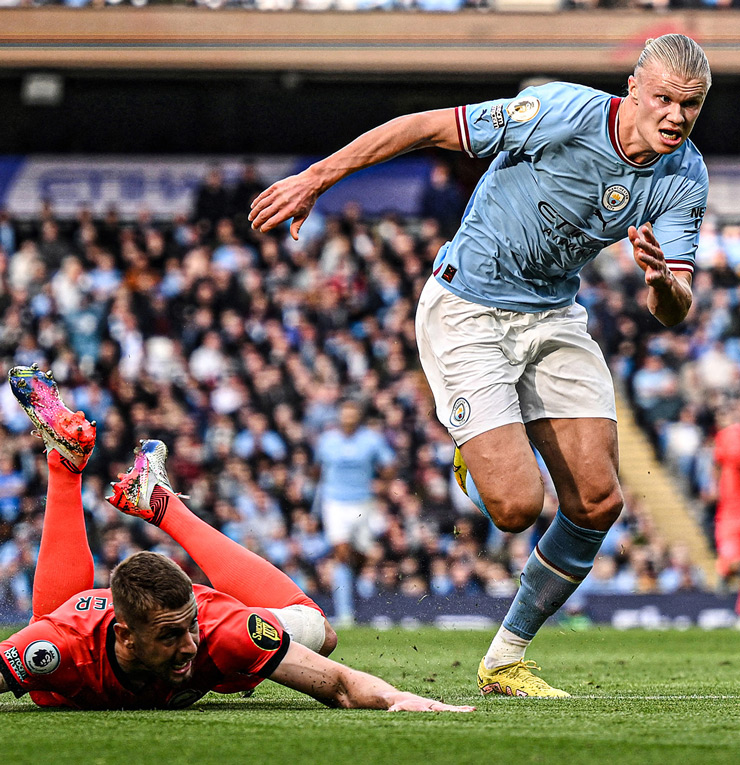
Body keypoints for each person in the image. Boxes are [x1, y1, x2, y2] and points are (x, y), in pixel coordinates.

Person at [249, 34, 711, 697]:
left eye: (690, 106)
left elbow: (675, 307)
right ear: (634, 89)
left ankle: (504, 661)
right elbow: (424, 127)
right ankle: (477, 448)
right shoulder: (558, 111)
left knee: (600, 500)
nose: (675, 116)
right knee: (517, 507)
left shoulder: (683, 175)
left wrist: (663, 280)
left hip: (553, 315)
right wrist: (315, 177)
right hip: (469, 306)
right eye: (664, 99)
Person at [0, 365, 473, 713]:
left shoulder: (218, 630)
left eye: (189, 629)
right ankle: (129, 493)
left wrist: (403, 700)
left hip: (106, 637)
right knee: (48, 632)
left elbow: (341, 684)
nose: (188, 645)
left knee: (317, 632)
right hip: (68, 629)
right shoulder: (59, 646)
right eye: (170, 635)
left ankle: (86, 472)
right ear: (124, 637)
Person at [314, 398, 395, 624]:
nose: (348, 417)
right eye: (345, 413)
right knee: (341, 551)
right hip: (335, 502)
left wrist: (383, 483)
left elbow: (389, 464)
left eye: (352, 413)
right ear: (339, 416)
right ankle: (345, 612)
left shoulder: (371, 440)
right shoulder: (327, 440)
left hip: (363, 503)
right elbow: (316, 467)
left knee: (361, 556)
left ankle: (353, 595)